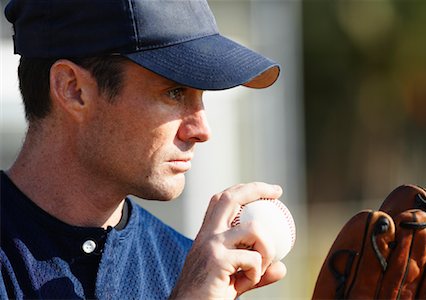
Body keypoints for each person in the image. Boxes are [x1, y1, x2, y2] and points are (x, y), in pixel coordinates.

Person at [0, 0, 287, 299]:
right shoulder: (194, 284)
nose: (201, 130)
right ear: (72, 88)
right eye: (175, 92)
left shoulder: (190, 267)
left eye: (201, 97)